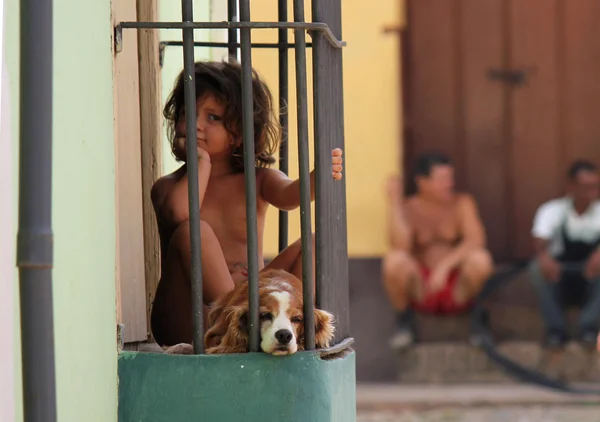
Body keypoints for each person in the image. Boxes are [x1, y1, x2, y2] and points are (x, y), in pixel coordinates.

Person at [150, 60, 343, 346]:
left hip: (251, 309)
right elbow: (181, 212)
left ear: (238, 134)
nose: (195, 125)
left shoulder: (258, 179)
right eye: (186, 114)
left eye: (212, 118)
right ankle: (236, 322)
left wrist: (320, 176)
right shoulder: (166, 187)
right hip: (191, 317)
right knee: (195, 230)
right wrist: (200, 160)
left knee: (313, 242)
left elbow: (293, 197)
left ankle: (296, 327)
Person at [382, 152, 493, 349]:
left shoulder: (462, 203)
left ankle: (478, 323)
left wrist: (445, 266)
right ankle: (405, 325)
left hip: (457, 288)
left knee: (480, 259)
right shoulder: (410, 208)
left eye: (450, 178)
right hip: (423, 288)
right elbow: (401, 246)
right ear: (422, 182)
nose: (449, 184)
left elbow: (476, 240)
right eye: (442, 179)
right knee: (394, 261)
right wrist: (395, 203)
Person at [529, 160, 600, 350]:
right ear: (572, 187)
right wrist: (545, 257)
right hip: (559, 275)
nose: (593, 193)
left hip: (592, 278)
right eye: (587, 187)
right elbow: (540, 239)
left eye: (595, 187)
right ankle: (555, 330)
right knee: (536, 268)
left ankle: (589, 328)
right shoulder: (552, 210)